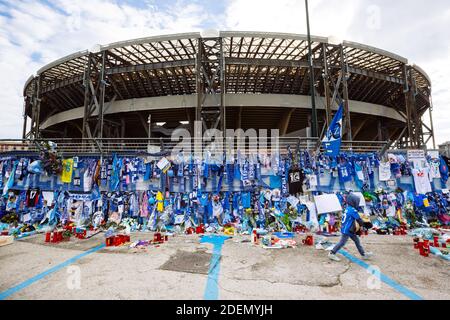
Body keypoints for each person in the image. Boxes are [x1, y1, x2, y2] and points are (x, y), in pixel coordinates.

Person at [328, 193, 373, 262]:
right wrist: (365, 225)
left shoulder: (347, 208)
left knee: (356, 241)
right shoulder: (353, 210)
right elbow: (359, 219)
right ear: (354, 202)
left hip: (348, 229)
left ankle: (363, 254)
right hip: (347, 230)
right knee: (342, 243)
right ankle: (332, 253)